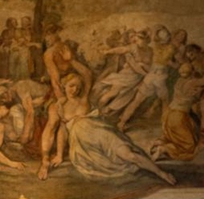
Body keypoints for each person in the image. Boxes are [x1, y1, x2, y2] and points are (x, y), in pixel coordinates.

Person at [38, 69, 177, 185]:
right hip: (84, 146)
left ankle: (160, 172)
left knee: (129, 155)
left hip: (101, 133)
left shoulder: (85, 100)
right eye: (71, 86)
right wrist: (53, 157)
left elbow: (86, 74)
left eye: (77, 87)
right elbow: (54, 132)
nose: (74, 90)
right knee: (109, 165)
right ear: (64, 86)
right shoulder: (57, 107)